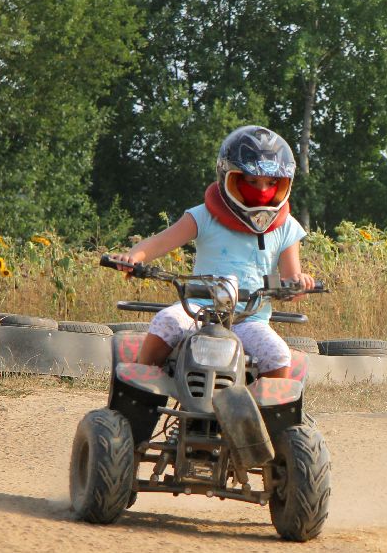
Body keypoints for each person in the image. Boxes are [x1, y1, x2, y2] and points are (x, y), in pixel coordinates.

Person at [113, 125, 314, 378]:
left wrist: (298, 284)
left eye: (272, 182)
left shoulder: (286, 227)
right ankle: (141, 386)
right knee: (165, 322)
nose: (262, 191)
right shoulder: (204, 215)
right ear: (230, 177)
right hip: (195, 311)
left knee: (278, 355)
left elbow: (290, 279)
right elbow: (158, 243)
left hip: (249, 319)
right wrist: (133, 258)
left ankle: (264, 415)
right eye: (252, 181)